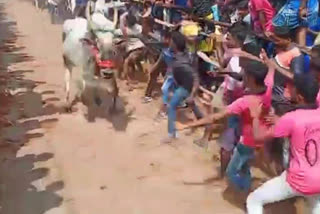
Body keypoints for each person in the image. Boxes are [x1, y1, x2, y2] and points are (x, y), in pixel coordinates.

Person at [177, 59, 274, 190]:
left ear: (250, 78)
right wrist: (268, 62)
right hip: (263, 137)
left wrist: (189, 125)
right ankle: (247, 183)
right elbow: (271, 71)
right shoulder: (268, 87)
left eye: (244, 74)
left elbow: (215, 117)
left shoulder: (244, 102)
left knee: (231, 173)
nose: (242, 77)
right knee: (245, 166)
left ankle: (250, 191)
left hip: (247, 142)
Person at [246, 73, 320, 214]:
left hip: (297, 180)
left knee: (254, 200)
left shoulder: (290, 119)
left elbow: (258, 137)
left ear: (299, 97)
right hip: (319, 181)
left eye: (292, 88)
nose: (288, 89)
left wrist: (255, 117)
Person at [162, 31, 195, 143]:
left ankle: (171, 134)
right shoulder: (183, 55)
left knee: (172, 106)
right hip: (182, 85)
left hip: (185, 87)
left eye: (171, 41)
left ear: (175, 44)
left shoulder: (182, 61)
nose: (169, 43)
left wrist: (192, 93)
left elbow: (195, 77)